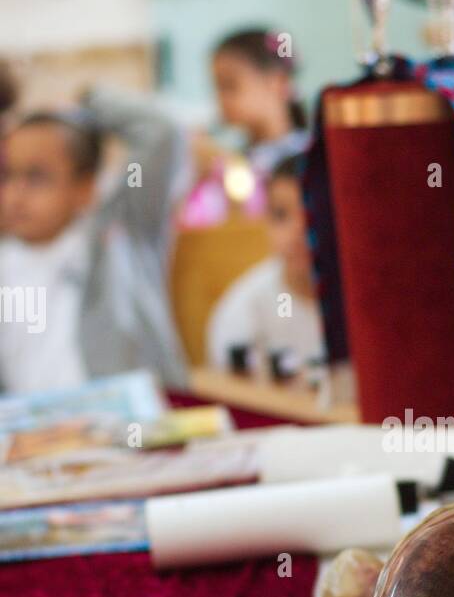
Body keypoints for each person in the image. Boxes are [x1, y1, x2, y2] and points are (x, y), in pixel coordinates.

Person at [0, 90, 188, 394]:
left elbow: (162, 134)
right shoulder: (6, 259)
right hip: (30, 436)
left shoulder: (118, 232)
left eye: (36, 177)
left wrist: (86, 99)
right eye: (7, 175)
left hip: (129, 430)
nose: (15, 195)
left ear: (86, 186)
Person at [207, 155, 325, 378]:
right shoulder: (245, 308)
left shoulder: (361, 303)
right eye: (281, 215)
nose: (297, 231)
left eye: (311, 213)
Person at [211, 28, 308, 174]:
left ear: (278, 82)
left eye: (229, 85)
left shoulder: (307, 157)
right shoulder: (237, 156)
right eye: (217, 87)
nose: (220, 98)